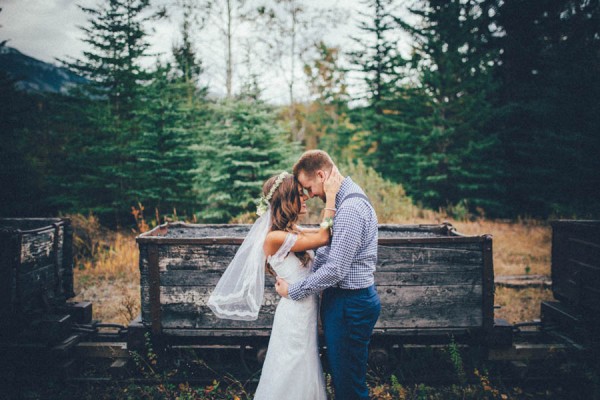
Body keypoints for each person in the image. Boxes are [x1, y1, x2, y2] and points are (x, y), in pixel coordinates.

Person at [207, 170, 342, 400]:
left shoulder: (292, 231)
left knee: (304, 363)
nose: (306, 198)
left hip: (304, 309)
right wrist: (330, 197)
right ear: (286, 200)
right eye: (300, 194)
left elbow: (323, 234)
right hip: (295, 313)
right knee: (292, 367)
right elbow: (323, 238)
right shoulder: (275, 237)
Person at [275, 150, 381, 400]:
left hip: (350, 305)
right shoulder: (343, 205)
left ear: (321, 175)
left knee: (349, 387)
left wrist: (294, 291)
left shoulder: (351, 209)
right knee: (343, 378)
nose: (309, 196)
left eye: (308, 188)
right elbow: (326, 252)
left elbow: (336, 269)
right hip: (343, 303)